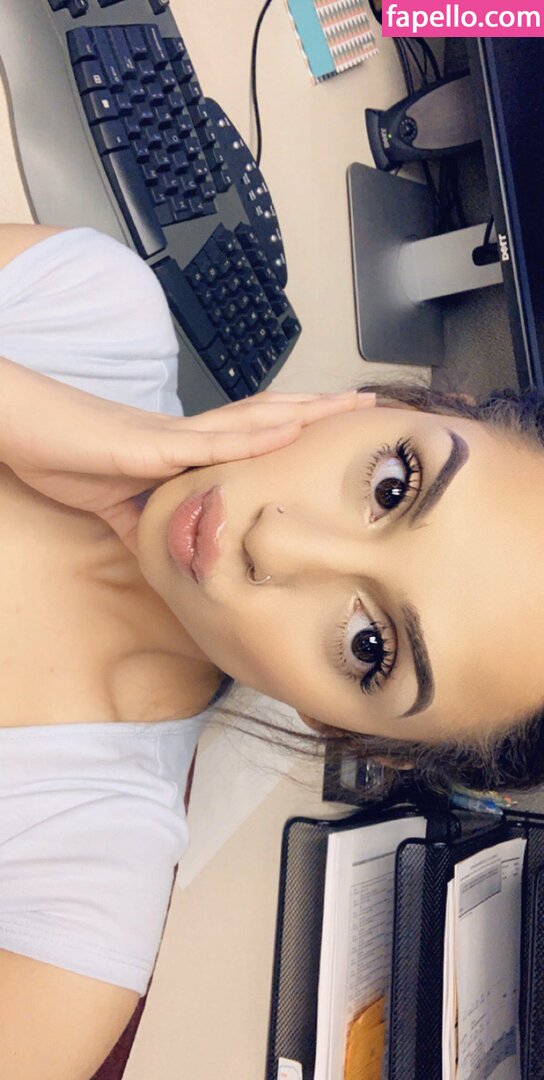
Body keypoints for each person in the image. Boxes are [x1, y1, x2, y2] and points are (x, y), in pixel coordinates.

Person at [1, 222, 543, 1076]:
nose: (274, 543)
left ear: (353, 735)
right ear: (408, 405)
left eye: (369, 645)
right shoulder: (86, 306)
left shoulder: (81, 900)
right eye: (392, 486)